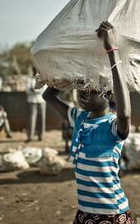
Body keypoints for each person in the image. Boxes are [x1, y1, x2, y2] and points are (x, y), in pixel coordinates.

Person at [42, 21, 133, 224]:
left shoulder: (113, 126)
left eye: (90, 91)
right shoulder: (79, 118)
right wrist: (71, 66)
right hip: (85, 212)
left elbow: (125, 113)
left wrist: (111, 50)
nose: (83, 95)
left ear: (107, 93)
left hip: (112, 213)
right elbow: (48, 96)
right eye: (81, 90)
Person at [26, 70, 47, 142]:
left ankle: (41, 136)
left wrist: (34, 90)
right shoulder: (29, 79)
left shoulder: (43, 78)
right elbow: (27, 91)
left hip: (41, 100)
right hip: (32, 101)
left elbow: (44, 89)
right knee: (32, 119)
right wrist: (35, 90)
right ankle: (30, 137)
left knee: (42, 119)